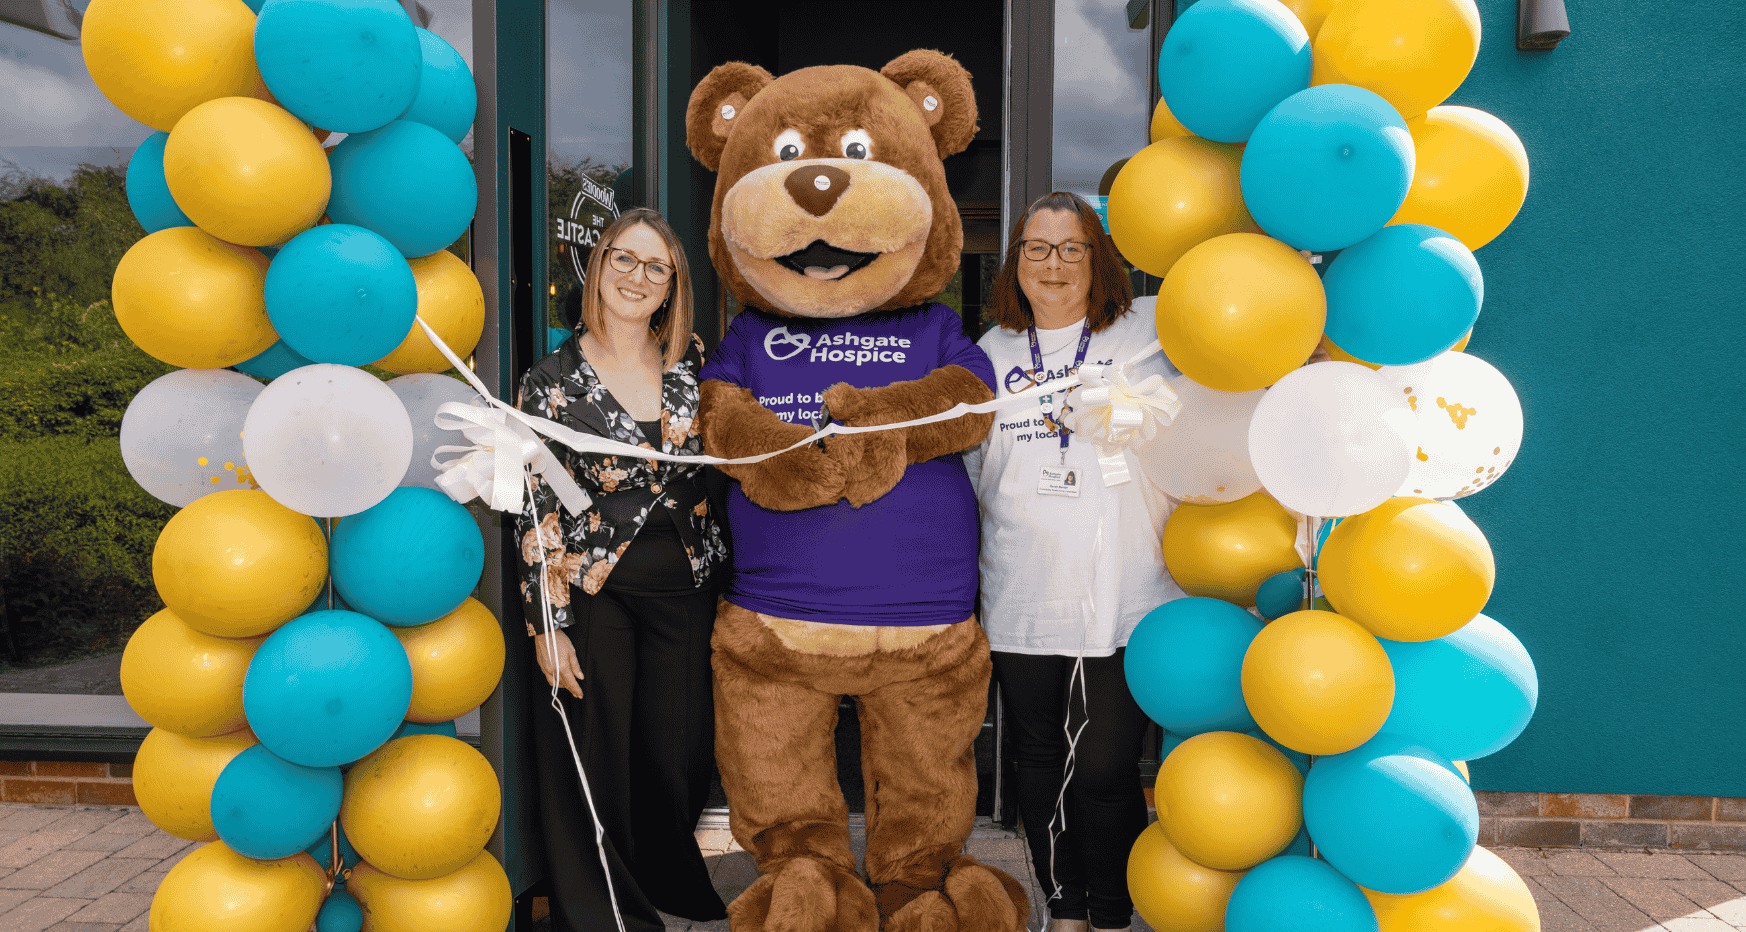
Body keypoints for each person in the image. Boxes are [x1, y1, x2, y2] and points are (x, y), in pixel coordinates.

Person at [962, 192, 1187, 932]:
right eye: (1036, 247)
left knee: (1102, 766)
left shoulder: (1151, 330)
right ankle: (1064, 907)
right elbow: (965, 477)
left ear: (1099, 258)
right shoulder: (987, 355)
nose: (1053, 264)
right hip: (1021, 589)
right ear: (1014, 262)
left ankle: (1111, 909)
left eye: (1071, 248)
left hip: (1126, 590)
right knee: (1036, 760)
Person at [515, 208, 730, 931]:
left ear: (672, 286)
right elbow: (536, 510)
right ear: (598, 269)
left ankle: (668, 881)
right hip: (594, 594)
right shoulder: (549, 381)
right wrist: (548, 626)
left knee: (680, 755)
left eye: (655, 267)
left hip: (689, 587)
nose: (638, 278)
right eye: (623, 261)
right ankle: (607, 913)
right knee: (595, 762)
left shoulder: (696, 361)